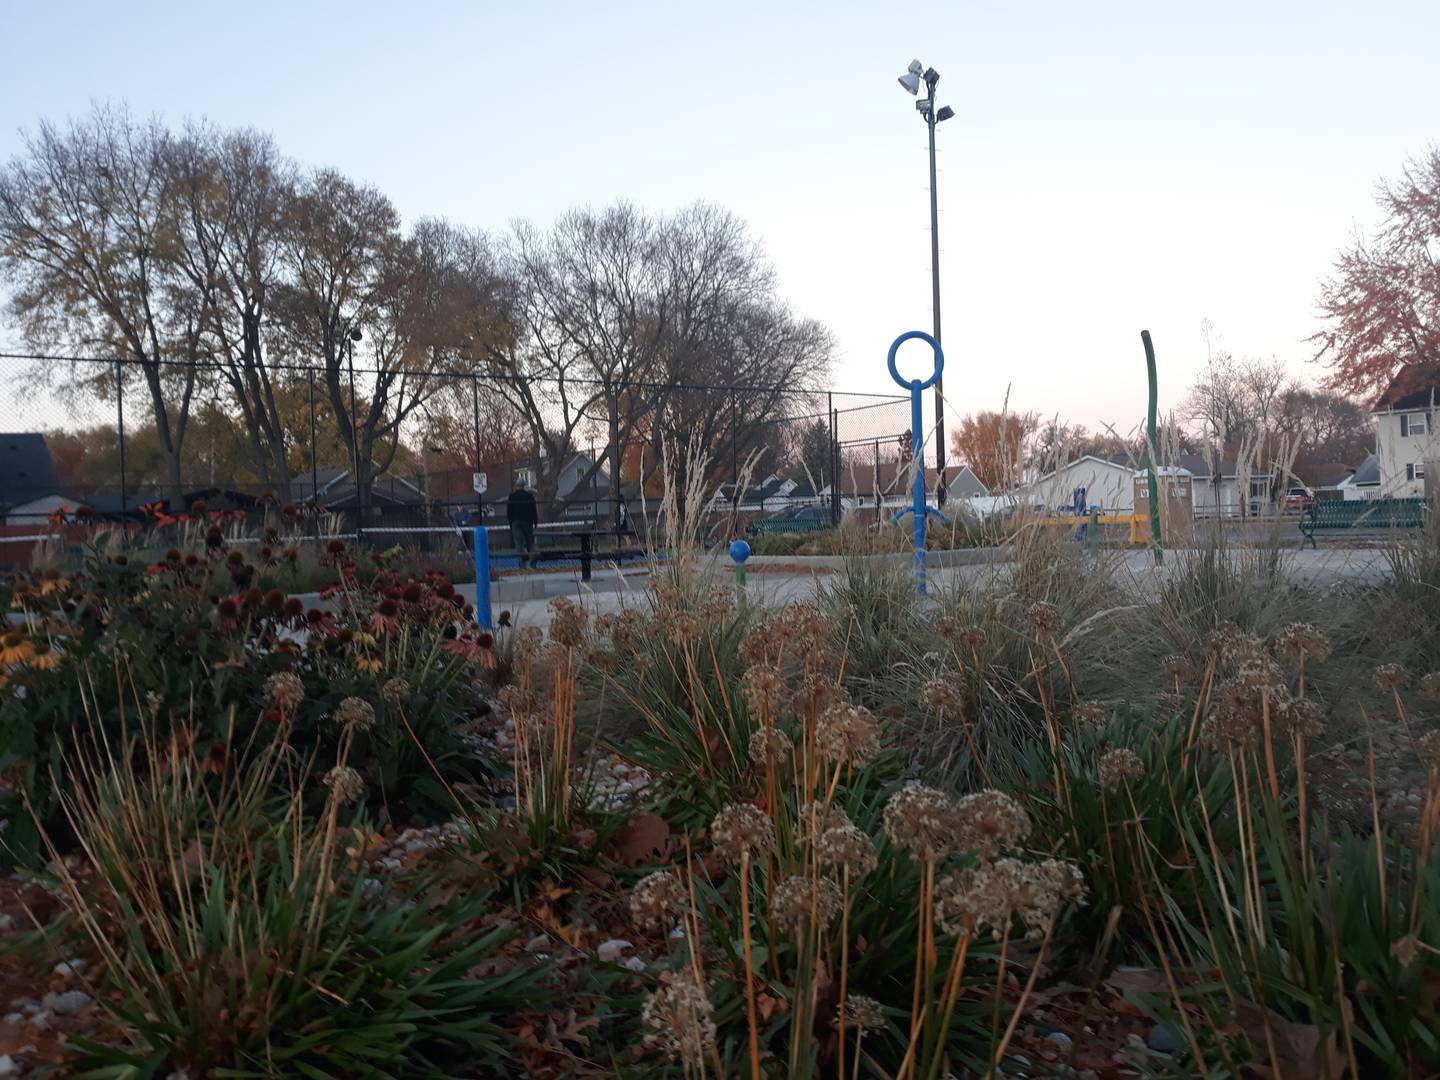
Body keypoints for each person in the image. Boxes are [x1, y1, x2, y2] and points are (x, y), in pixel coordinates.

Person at [506, 477, 538, 568]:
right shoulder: (529, 496)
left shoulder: (512, 496)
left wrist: (510, 522)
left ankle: (521, 564)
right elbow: (533, 510)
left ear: (516, 485)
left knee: (518, 543)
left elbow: (509, 511)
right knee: (530, 542)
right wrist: (535, 521)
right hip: (527, 521)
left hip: (515, 521)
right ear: (524, 485)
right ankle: (532, 563)